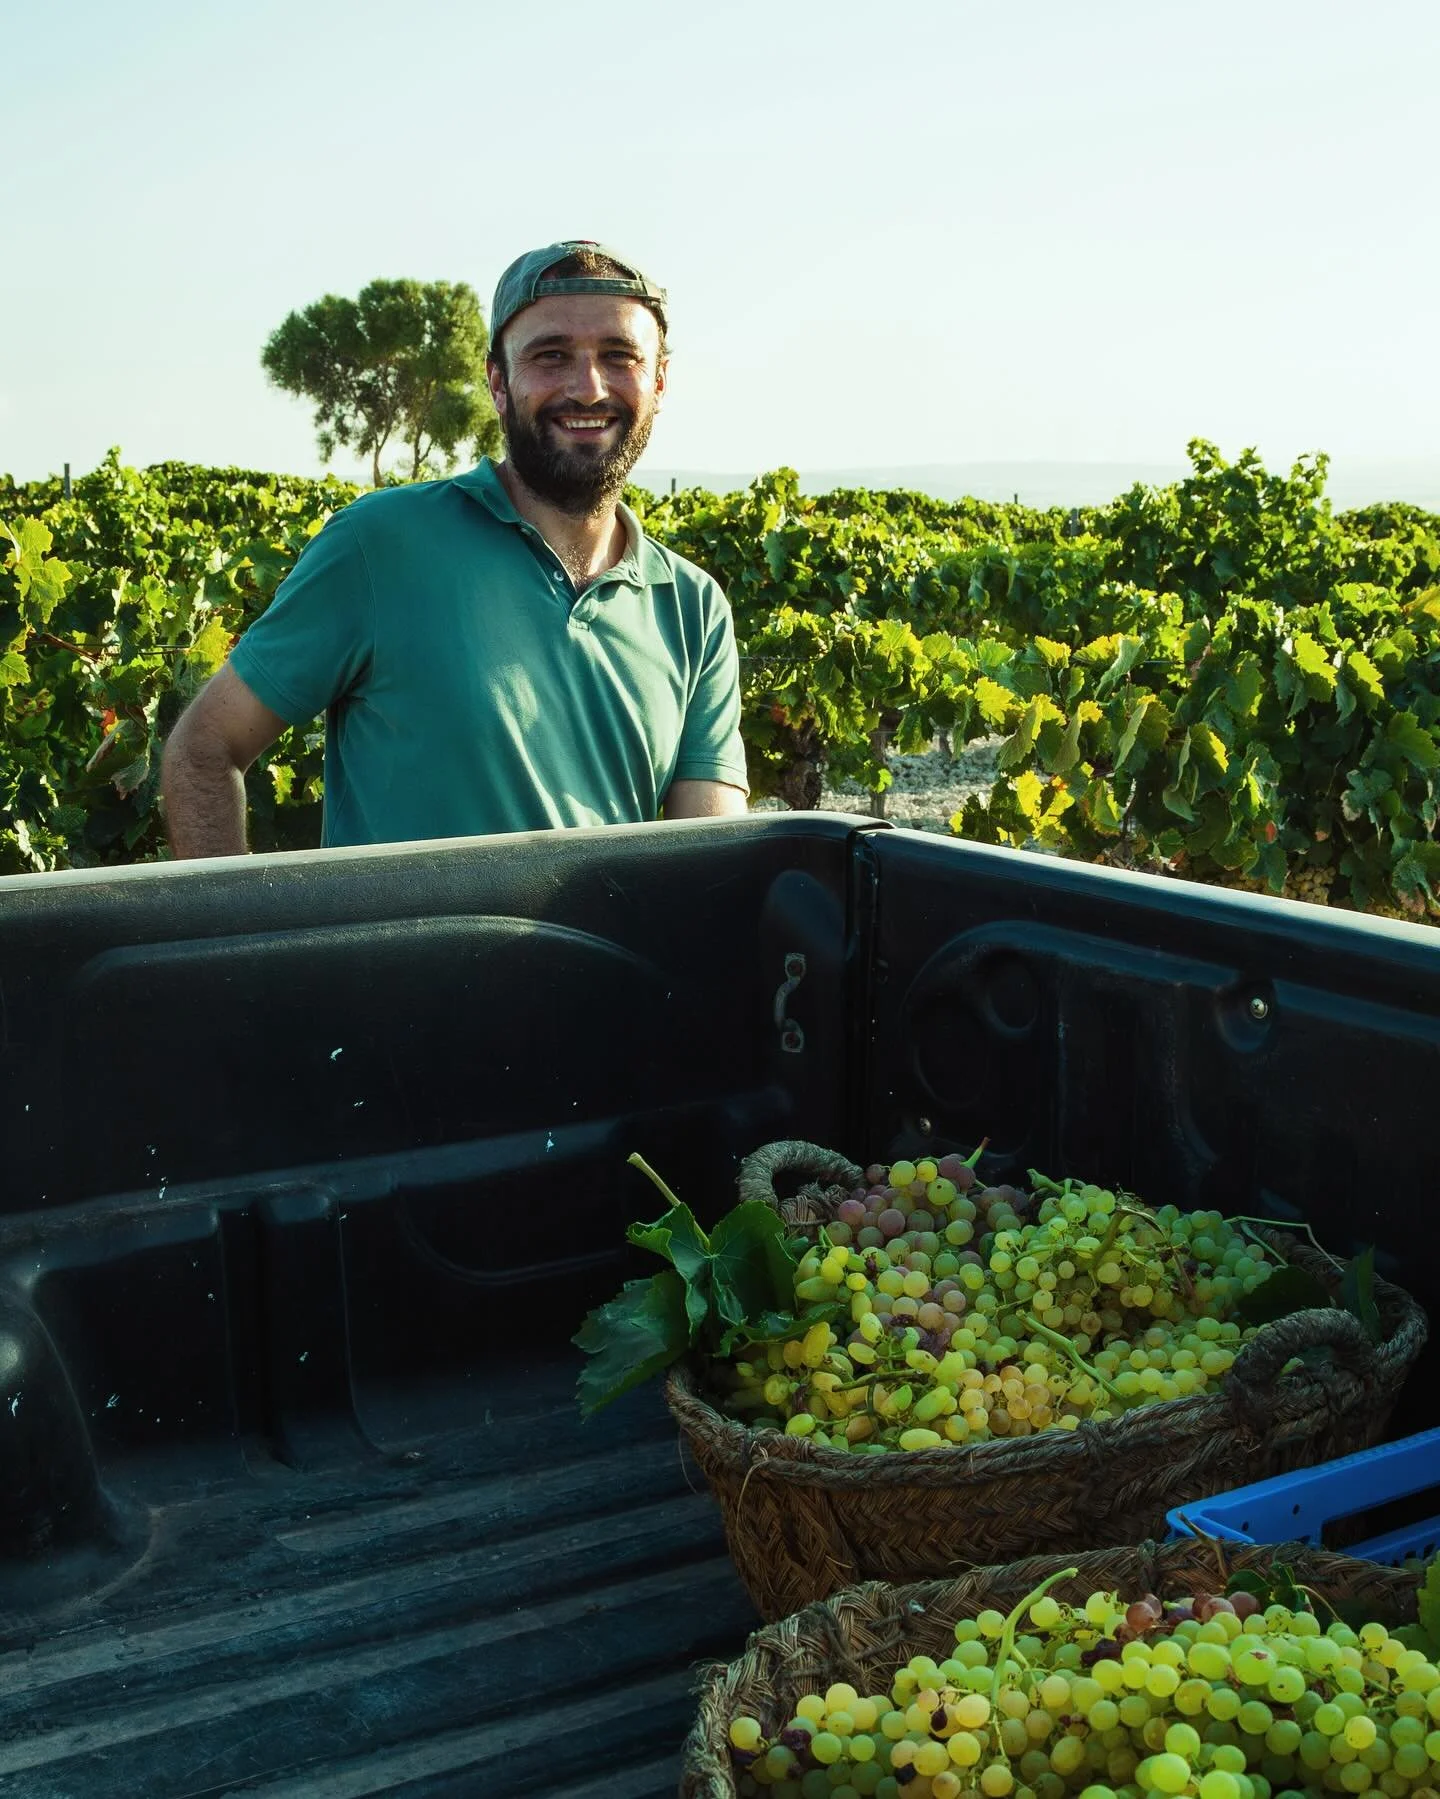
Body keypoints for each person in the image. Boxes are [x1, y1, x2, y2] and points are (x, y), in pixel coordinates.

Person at [160, 239, 750, 857]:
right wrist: (235, 921)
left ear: (659, 381)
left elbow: (710, 856)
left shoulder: (693, 608)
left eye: (619, 355)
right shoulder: (380, 545)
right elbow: (204, 749)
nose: (588, 387)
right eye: (551, 356)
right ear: (498, 382)